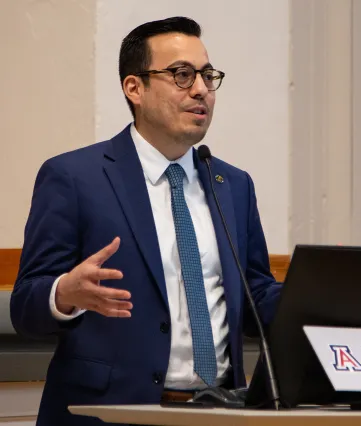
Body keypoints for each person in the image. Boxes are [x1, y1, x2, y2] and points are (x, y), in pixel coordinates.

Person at [10, 16, 282, 426]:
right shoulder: (75, 177)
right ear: (134, 87)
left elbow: (254, 296)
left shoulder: (232, 184)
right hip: (110, 413)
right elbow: (26, 306)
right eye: (182, 74)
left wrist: (320, 298)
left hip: (224, 412)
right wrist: (64, 292)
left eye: (208, 76)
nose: (201, 89)